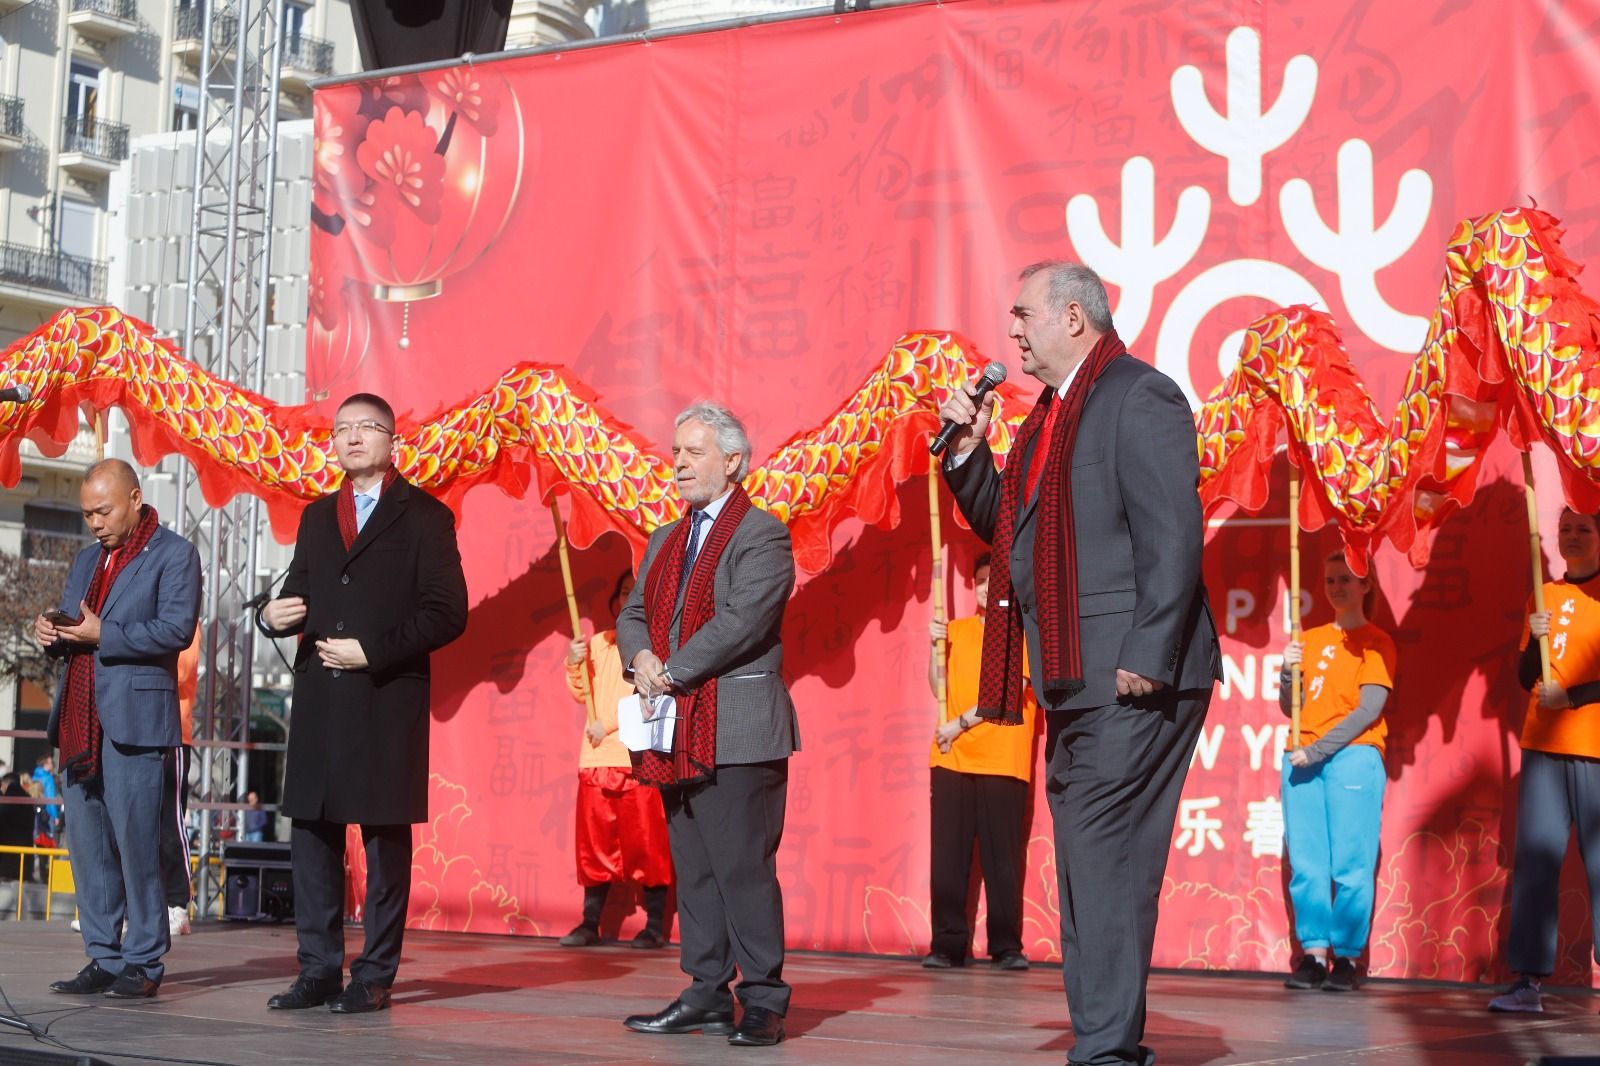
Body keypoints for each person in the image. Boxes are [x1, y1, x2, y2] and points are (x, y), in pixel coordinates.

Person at [938, 261, 1220, 1066]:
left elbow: (1173, 532)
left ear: (1072, 316)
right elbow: (1008, 531)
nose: (1012, 332)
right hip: (1072, 674)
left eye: (1023, 314)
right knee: (1102, 861)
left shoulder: (1139, 394)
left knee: (1099, 851)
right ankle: (1112, 1042)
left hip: (1134, 672)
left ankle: (1102, 1047)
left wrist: (1148, 651)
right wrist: (965, 451)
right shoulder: (1044, 420)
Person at [259, 393, 468, 1015]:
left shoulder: (426, 516)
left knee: (383, 842)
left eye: (365, 428)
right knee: (313, 837)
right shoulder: (318, 517)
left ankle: (374, 975)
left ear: (391, 440)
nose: (352, 438)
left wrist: (372, 651)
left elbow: (447, 612)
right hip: (322, 699)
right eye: (342, 429)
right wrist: (273, 615)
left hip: (384, 698)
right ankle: (317, 969)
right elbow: (295, 592)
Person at [617, 402, 799, 1048]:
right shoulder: (667, 538)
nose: (680, 465)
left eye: (694, 453)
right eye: (675, 453)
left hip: (738, 727)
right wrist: (640, 657)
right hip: (678, 726)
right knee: (693, 866)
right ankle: (706, 991)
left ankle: (763, 999)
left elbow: (743, 622)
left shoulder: (763, 534)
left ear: (733, 461)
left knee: (743, 865)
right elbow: (633, 610)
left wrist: (669, 672)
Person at [34, 459, 202, 999]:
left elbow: (175, 630)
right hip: (81, 724)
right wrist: (52, 629)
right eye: (86, 514)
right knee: (88, 849)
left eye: (103, 511)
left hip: (136, 724)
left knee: (137, 848)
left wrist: (102, 631)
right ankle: (103, 957)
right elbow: (74, 623)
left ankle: (145, 961)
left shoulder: (175, 554)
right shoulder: (86, 559)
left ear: (135, 497)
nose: (95, 523)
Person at [1488, 506, 1600, 1013]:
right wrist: (1535, 640)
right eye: (1566, 530)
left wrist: (1573, 700)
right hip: (1542, 748)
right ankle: (1529, 981)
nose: (1572, 537)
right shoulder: (1544, 592)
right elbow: (1524, 677)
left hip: (1594, 751)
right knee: (1536, 865)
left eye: (1583, 529)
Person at [1276, 553, 1395, 992]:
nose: (1337, 587)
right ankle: (1314, 954)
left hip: (1351, 757)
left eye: (1347, 579)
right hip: (1301, 755)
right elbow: (1288, 708)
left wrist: (1321, 750)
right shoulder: (1307, 639)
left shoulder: (1376, 641)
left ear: (1366, 586)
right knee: (1306, 863)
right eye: (1330, 580)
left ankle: (1345, 958)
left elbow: (1369, 709)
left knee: (1351, 862)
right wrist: (1288, 674)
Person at [924, 552, 1037, 971]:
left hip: (1002, 756)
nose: (988, 587)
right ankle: (946, 945)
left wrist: (959, 725)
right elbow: (938, 687)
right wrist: (935, 645)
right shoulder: (956, 631)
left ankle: (1007, 946)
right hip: (952, 757)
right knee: (948, 860)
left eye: (996, 581)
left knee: (1002, 859)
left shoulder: (1023, 635)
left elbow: (1006, 695)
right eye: (982, 580)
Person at [562, 571, 673, 949]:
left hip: (638, 757)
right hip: (596, 760)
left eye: (635, 593)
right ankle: (589, 922)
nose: (628, 599)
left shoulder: (656, 647)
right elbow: (582, 693)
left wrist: (606, 725)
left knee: (647, 845)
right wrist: (574, 662)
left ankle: (655, 925)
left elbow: (653, 696)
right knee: (595, 845)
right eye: (624, 592)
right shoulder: (599, 643)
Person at [160, 632, 200, 937]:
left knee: (169, 823)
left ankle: (178, 904)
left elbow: (183, 668)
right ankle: (121, 908)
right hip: (135, 725)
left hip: (173, 729)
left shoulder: (185, 606)